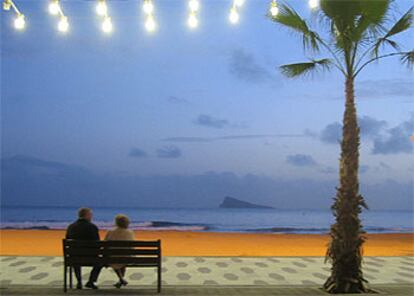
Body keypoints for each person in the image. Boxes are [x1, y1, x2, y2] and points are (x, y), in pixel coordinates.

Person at [66, 207, 102, 290]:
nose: (91, 216)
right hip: (91, 257)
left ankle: (79, 281)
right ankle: (91, 281)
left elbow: (68, 240)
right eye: (91, 215)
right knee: (100, 262)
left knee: (76, 260)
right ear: (87, 215)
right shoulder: (92, 227)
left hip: (74, 257)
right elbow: (97, 243)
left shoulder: (71, 227)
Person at [105, 214, 135, 288]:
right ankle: (121, 279)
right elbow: (131, 247)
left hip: (112, 258)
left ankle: (121, 279)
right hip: (126, 258)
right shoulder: (130, 232)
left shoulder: (110, 232)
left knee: (115, 257)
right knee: (124, 256)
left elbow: (105, 245)